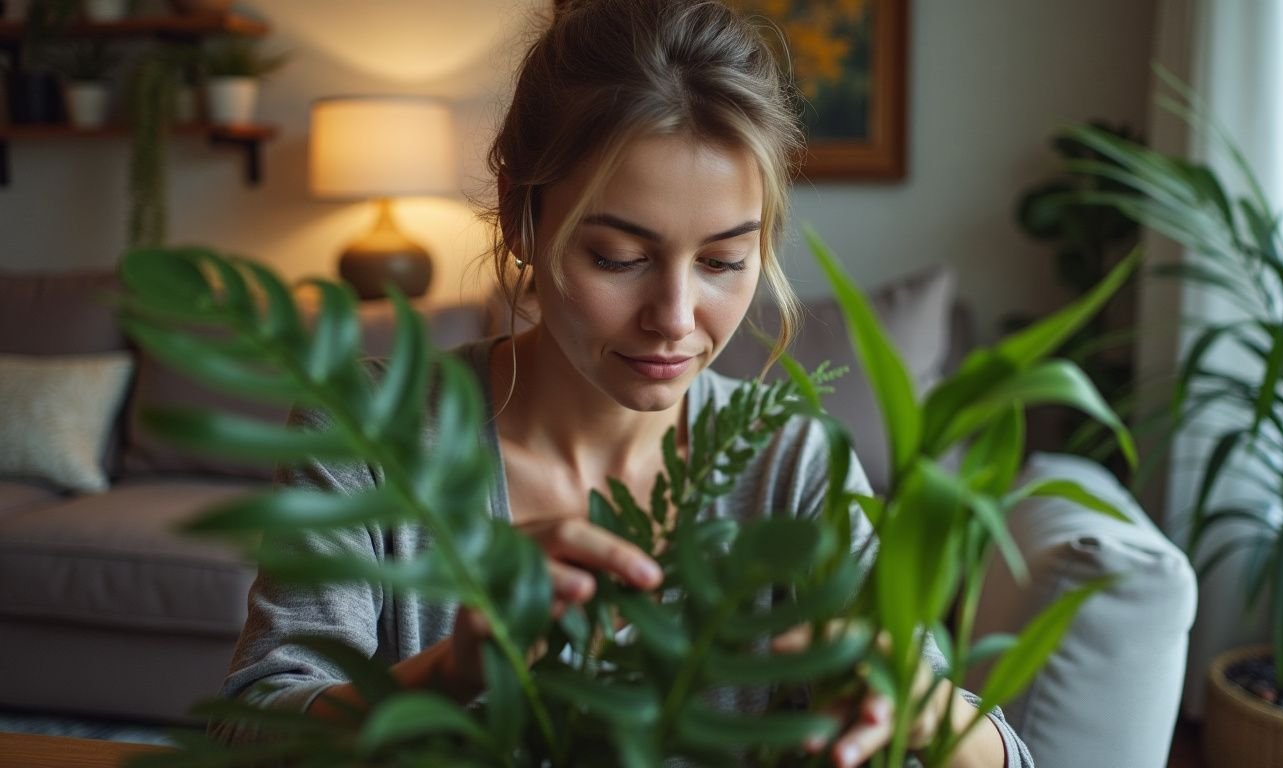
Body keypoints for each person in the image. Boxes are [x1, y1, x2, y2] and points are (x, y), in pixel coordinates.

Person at [215, 2, 1032, 766]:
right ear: (521, 215)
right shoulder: (373, 432)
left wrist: (923, 712)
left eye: (722, 261)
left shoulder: (794, 464)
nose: (674, 316)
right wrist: (449, 677)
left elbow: (1000, 750)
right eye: (618, 257)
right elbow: (252, 725)